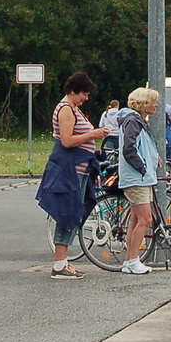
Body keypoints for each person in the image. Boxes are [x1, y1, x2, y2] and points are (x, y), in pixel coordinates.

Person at [37, 72, 109, 280]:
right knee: (67, 213)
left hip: (80, 168)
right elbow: (67, 140)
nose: (86, 98)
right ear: (72, 90)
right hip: (71, 170)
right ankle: (60, 264)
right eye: (83, 94)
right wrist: (93, 134)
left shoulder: (73, 109)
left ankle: (64, 262)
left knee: (74, 212)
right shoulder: (66, 109)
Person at [116, 87, 163, 274]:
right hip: (138, 178)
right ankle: (134, 259)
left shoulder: (136, 121)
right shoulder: (134, 122)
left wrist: (153, 157)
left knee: (136, 220)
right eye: (153, 101)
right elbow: (130, 148)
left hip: (139, 177)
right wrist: (143, 167)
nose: (156, 105)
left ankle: (130, 260)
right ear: (144, 103)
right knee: (146, 219)